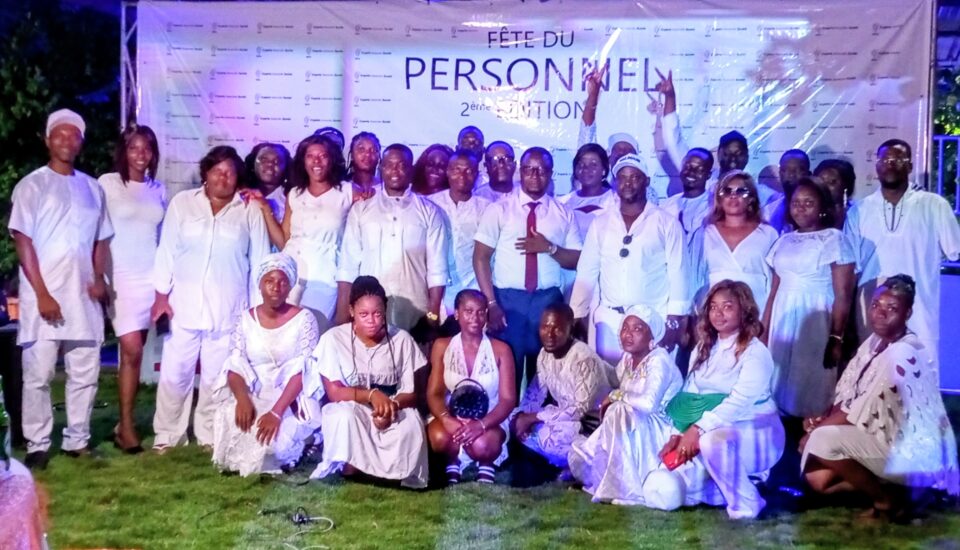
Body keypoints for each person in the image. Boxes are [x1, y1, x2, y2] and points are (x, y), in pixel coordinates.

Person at [801, 275, 959, 520]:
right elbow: (850, 395)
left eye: (891, 308)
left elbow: (855, 412)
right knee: (818, 479)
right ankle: (895, 489)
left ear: (907, 313)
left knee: (822, 440)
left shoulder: (903, 352)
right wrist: (821, 420)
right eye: (876, 305)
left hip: (913, 454)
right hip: (883, 439)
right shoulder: (874, 342)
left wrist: (816, 431)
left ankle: (885, 501)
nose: (880, 313)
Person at [10, 109, 113, 469]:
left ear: (81, 142)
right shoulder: (32, 185)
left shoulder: (93, 188)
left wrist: (98, 278)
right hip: (44, 295)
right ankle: (38, 444)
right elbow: (23, 239)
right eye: (60, 134)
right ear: (47, 140)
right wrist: (41, 293)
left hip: (83, 296)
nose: (67, 141)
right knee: (38, 375)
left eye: (74, 136)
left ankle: (77, 440)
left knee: (84, 372)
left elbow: (102, 239)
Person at [151, 146, 270, 453]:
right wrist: (161, 295)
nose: (223, 178)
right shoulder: (182, 204)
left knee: (217, 378)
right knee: (175, 375)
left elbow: (259, 262)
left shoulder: (249, 210)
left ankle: (209, 435)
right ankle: (167, 436)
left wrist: (256, 312)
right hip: (182, 307)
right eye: (217, 171)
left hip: (228, 309)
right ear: (205, 173)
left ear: (238, 177)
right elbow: (166, 251)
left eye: (230, 172)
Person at [658, 280, 783, 520]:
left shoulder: (756, 352)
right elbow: (689, 396)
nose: (718, 313)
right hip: (714, 427)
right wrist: (676, 434)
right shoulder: (704, 348)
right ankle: (720, 490)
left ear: (744, 311)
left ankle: (747, 504)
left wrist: (697, 430)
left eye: (727, 307)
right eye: (713, 307)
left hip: (758, 431)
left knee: (711, 441)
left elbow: (739, 402)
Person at [474, 147, 582, 394]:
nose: (535, 175)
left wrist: (550, 248)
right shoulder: (499, 209)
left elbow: (576, 260)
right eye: (529, 169)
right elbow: (480, 257)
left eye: (542, 170)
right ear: (520, 172)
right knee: (506, 375)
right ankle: (506, 419)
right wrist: (491, 304)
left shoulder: (563, 214)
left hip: (547, 302)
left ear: (551, 174)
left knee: (545, 376)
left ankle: (538, 418)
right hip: (507, 302)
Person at [844, 139, 960, 365]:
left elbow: (954, 250)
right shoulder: (860, 210)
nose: (890, 164)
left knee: (920, 375)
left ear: (910, 166)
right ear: (876, 166)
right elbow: (851, 268)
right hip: (872, 312)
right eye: (884, 159)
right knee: (871, 376)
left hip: (919, 312)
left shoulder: (934, 205)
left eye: (898, 159)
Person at [308, 276, 429, 488]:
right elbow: (335, 392)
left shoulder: (401, 339)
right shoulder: (333, 339)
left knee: (410, 423)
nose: (371, 321)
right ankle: (351, 467)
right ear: (351, 311)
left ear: (385, 310)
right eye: (364, 314)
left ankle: (393, 473)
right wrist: (371, 395)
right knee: (343, 416)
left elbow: (412, 393)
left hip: (392, 407)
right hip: (353, 406)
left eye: (377, 314)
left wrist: (389, 408)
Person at [570, 154, 689, 364]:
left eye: (635, 177)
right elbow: (587, 271)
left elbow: (678, 272)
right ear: (615, 182)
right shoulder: (601, 223)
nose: (628, 183)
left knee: (650, 381)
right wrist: (577, 314)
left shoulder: (666, 223)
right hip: (610, 321)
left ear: (647, 181)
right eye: (623, 177)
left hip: (652, 321)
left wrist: (674, 323)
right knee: (611, 381)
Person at [211, 253, 321, 476]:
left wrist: (277, 413)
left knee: (277, 444)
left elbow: (304, 371)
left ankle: (301, 445)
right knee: (234, 421)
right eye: (269, 281)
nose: (276, 287)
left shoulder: (305, 319)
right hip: (254, 392)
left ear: (290, 286)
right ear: (259, 285)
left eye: (282, 282)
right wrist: (243, 400)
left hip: (290, 397)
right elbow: (234, 365)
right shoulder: (245, 319)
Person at [568, 305, 683, 505]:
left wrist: (616, 395)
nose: (628, 334)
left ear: (652, 336)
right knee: (616, 412)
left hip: (657, 428)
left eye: (637, 329)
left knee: (619, 409)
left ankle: (627, 490)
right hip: (631, 424)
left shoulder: (659, 361)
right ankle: (613, 484)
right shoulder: (629, 358)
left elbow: (648, 404)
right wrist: (589, 359)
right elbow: (613, 378)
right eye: (625, 328)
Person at [762, 177, 855, 419]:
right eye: (796, 203)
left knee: (811, 378)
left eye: (808, 203)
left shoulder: (834, 239)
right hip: (783, 315)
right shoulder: (784, 240)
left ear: (822, 207)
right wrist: (764, 329)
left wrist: (836, 337)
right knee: (779, 379)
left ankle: (812, 431)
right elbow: (774, 291)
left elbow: (843, 294)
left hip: (815, 316)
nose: (800, 208)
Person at [99, 124, 165, 453]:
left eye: (147, 149)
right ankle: (126, 426)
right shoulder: (108, 184)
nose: (141, 154)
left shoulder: (158, 189)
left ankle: (123, 424)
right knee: (132, 349)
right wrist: (98, 275)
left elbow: (162, 237)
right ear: (124, 151)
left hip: (150, 278)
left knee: (133, 356)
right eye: (134, 148)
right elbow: (97, 233)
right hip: (120, 277)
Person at [335, 144, 448, 333]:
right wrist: (343, 314)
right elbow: (348, 265)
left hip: (415, 308)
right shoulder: (361, 209)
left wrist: (432, 315)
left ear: (411, 170)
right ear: (381, 168)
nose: (395, 170)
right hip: (369, 309)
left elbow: (437, 268)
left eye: (402, 165)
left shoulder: (429, 211)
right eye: (389, 165)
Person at [248, 134, 352, 330]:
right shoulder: (295, 194)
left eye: (323, 156)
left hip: (323, 277)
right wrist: (264, 207)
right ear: (303, 161)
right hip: (290, 274)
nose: (316, 161)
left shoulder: (347, 191)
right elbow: (283, 241)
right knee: (283, 333)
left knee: (314, 332)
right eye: (310, 156)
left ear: (332, 159)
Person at [426, 290, 516, 485]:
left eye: (481, 312)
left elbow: (508, 400)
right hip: (453, 416)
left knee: (483, 445)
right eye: (468, 311)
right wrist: (446, 419)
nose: (475, 317)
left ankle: (486, 462)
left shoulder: (502, 350)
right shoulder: (442, 346)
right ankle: (453, 460)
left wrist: (481, 425)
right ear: (457, 314)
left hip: (489, 418)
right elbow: (434, 393)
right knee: (439, 438)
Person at [511, 304, 615, 473]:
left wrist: (532, 418)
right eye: (545, 327)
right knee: (511, 419)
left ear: (570, 329)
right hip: (564, 419)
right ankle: (560, 462)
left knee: (552, 436)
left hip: (592, 426)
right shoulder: (544, 354)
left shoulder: (584, 359)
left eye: (557, 329)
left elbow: (579, 411)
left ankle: (579, 463)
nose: (550, 334)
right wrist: (521, 417)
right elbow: (536, 392)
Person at [690, 170, 778, 314]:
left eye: (741, 191)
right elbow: (694, 280)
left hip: (757, 308)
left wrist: (768, 317)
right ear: (719, 197)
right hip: (716, 312)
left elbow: (776, 281)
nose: (733, 196)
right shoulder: (705, 233)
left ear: (751, 198)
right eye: (727, 191)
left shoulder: (768, 234)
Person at [427, 151, 492, 316]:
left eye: (468, 170)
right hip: (436, 290)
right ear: (448, 171)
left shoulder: (488, 208)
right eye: (457, 169)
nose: (462, 175)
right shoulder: (430, 204)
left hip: (474, 288)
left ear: (476, 175)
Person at [557, 143, 614, 241]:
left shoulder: (616, 200)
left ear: (604, 170)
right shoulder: (562, 203)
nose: (586, 169)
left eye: (593, 165)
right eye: (581, 164)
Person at [660, 148, 714, 237]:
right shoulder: (667, 205)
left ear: (708, 175)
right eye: (687, 166)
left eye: (699, 169)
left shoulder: (713, 206)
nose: (691, 172)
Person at [763, 149, 811, 234]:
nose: (791, 175)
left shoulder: (816, 209)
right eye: (785, 170)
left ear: (808, 174)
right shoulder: (770, 208)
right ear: (780, 174)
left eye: (798, 170)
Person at [243, 142, 291, 224]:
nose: (270, 164)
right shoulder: (241, 194)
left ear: (286, 167)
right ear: (252, 164)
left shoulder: (291, 199)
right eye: (263, 160)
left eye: (277, 161)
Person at [813, 159, 856, 229]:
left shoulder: (856, 212)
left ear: (846, 185)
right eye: (821, 181)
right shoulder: (810, 212)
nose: (825, 186)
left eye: (831, 182)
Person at [345, 131, 381, 200]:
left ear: (379, 156)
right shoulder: (342, 188)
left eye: (373, 150)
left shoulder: (385, 188)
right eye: (361, 150)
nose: (367, 154)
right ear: (352, 155)